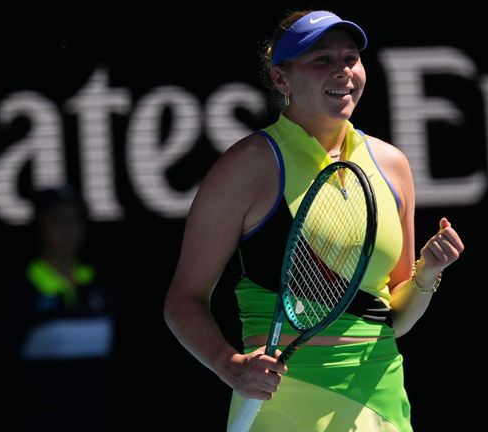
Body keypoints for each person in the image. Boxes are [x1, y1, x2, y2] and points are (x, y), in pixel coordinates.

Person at [164, 9, 464, 431]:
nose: (342, 71)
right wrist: (228, 364)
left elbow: (394, 318)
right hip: (285, 406)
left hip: (381, 401)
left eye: (350, 58)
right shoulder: (247, 166)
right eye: (321, 59)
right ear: (282, 79)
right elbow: (183, 300)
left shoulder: (392, 165)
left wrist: (428, 272)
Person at [0, 186, 115, 431]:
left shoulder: (100, 287)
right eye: (58, 220)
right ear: (41, 226)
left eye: (74, 219)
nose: (68, 229)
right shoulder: (20, 291)